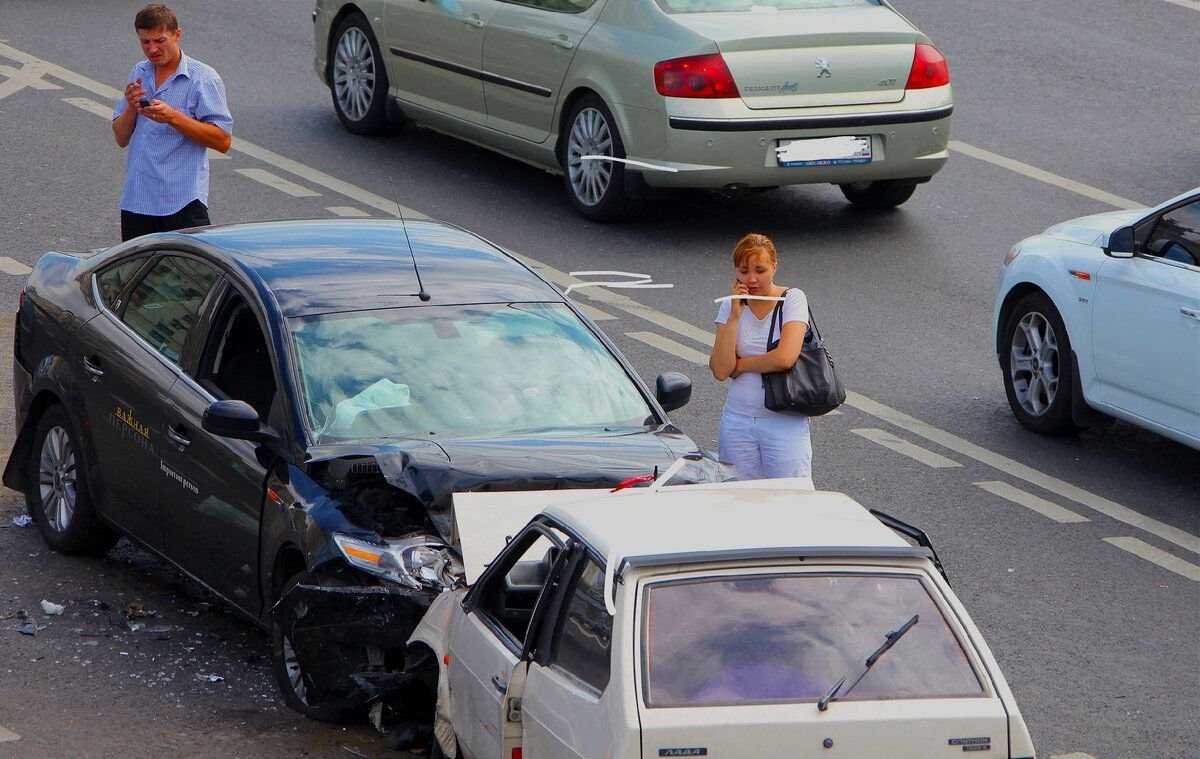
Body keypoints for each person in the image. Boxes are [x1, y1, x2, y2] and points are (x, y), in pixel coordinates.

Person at [112, 4, 233, 242]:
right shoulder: (140, 71)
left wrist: (173, 117)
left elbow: (223, 140)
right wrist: (130, 106)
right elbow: (121, 138)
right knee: (137, 278)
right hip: (138, 200)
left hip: (182, 204)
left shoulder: (203, 79)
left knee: (189, 278)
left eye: (160, 40)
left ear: (177, 34)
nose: (153, 49)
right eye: (145, 42)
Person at [709, 233, 812, 481]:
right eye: (743, 271)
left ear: (774, 267)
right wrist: (735, 315)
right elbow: (721, 370)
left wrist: (740, 365)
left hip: (783, 422)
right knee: (737, 501)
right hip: (738, 420)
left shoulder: (792, 299)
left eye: (760, 270)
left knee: (788, 500)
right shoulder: (730, 305)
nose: (751, 279)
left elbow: (785, 357)